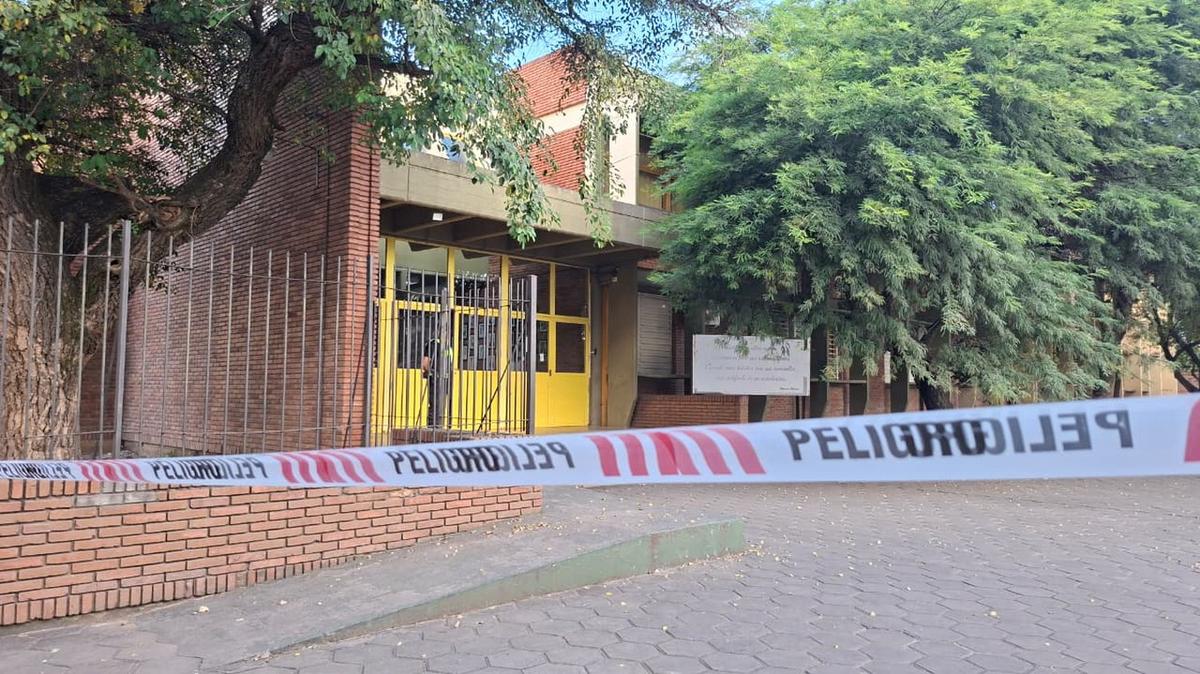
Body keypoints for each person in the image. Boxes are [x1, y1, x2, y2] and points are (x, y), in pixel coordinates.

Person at [420, 332, 451, 428]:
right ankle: (436, 427)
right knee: (438, 406)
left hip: (441, 379)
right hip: (441, 379)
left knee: (437, 405)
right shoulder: (441, 345)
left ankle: (436, 427)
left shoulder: (441, 345)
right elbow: (425, 363)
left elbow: (425, 364)